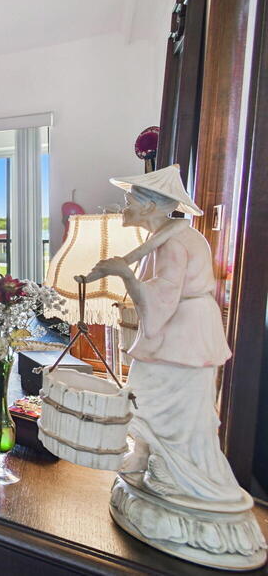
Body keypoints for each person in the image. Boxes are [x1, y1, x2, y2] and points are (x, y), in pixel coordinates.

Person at [85, 164, 265, 568]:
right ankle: (146, 457)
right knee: (147, 395)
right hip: (176, 330)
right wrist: (124, 271)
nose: (124, 207)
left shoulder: (175, 242)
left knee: (161, 400)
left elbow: (163, 297)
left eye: (130, 200)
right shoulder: (165, 237)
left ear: (150, 206)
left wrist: (124, 274)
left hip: (182, 333)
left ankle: (173, 473)